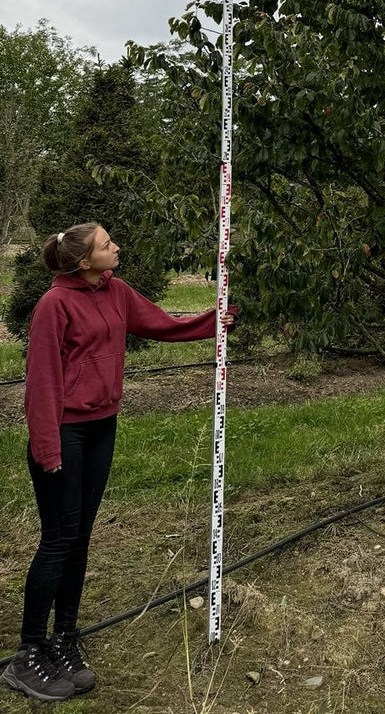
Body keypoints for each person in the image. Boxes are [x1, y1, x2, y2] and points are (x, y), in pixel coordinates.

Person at [3, 223, 237, 703]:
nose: (117, 247)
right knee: (59, 537)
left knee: (81, 534)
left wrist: (215, 321)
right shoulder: (54, 305)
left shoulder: (116, 292)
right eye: (107, 245)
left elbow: (160, 323)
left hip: (101, 427)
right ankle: (29, 653)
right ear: (83, 261)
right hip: (63, 433)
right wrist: (46, 447)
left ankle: (65, 639)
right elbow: (42, 380)